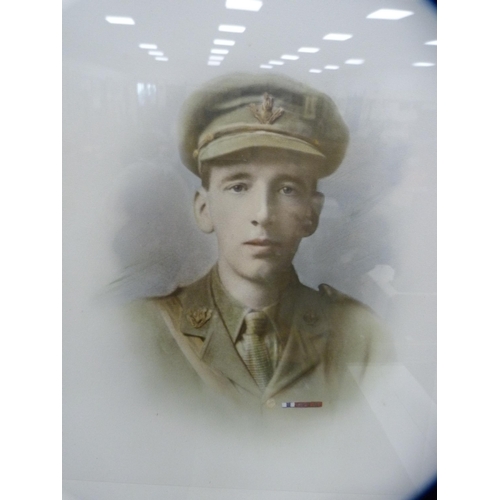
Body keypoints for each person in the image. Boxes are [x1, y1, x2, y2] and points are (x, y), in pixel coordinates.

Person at [149, 73, 388, 409]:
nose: (262, 215)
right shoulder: (140, 330)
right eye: (238, 186)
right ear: (204, 209)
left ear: (311, 212)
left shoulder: (359, 336)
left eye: (287, 189)